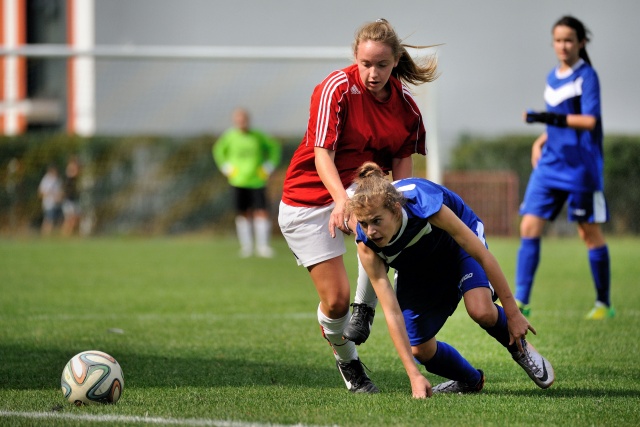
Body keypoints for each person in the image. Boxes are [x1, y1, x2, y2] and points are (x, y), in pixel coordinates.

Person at [278, 18, 437, 393]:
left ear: (395, 61)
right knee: (335, 302)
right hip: (306, 199)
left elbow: (400, 170)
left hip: (359, 189)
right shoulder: (335, 88)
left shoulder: (406, 108)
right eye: (366, 64)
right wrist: (341, 202)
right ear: (355, 57)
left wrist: (399, 211)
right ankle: (348, 361)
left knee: (383, 217)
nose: (373, 73)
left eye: (382, 65)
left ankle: (364, 308)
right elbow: (322, 155)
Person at [346, 162, 555, 398]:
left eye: (376, 221)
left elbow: (483, 256)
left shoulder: (423, 204)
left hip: (456, 246)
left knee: (481, 310)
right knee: (420, 349)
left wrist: (513, 314)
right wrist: (414, 375)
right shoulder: (366, 245)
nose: (370, 231)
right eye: (364, 223)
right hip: (418, 266)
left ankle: (519, 347)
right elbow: (391, 311)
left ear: (395, 209)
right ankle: (469, 380)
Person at [515, 16, 613, 320]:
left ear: (581, 42)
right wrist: (541, 140)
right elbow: (559, 121)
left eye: (569, 40)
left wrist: (545, 118)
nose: (563, 45)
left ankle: (603, 304)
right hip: (550, 165)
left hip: (581, 167)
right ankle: (521, 301)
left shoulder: (587, 76)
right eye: (558, 40)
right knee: (528, 227)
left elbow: (589, 121)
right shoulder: (552, 76)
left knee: (589, 233)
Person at [213, 108, 282, 258]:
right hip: (238, 180)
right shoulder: (229, 136)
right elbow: (218, 151)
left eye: (243, 119)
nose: (241, 122)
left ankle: (263, 246)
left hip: (257, 180)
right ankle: (247, 246)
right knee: (243, 213)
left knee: (262, 212)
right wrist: (225, 167)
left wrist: (269, 166)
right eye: (238, 120)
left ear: (248, 120)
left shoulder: (258, 135)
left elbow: (274, 148)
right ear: (234, 121)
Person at [38, 164, 63, 236]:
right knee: (49, 221)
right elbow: (41, 192)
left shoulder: (57, 179)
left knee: (56, 221)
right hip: (49, 204)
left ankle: (51, 236)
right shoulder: (47, 179)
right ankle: (45, 236)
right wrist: (52, 196)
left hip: (57, 204)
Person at [62, 155, 81, 237]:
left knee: (74, 218)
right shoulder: (69, 173)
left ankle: (67, 235)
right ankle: (64, 235)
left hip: (72, 199)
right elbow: (75, 173)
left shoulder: (71, 174)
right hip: (68, 199)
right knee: (70, 219)